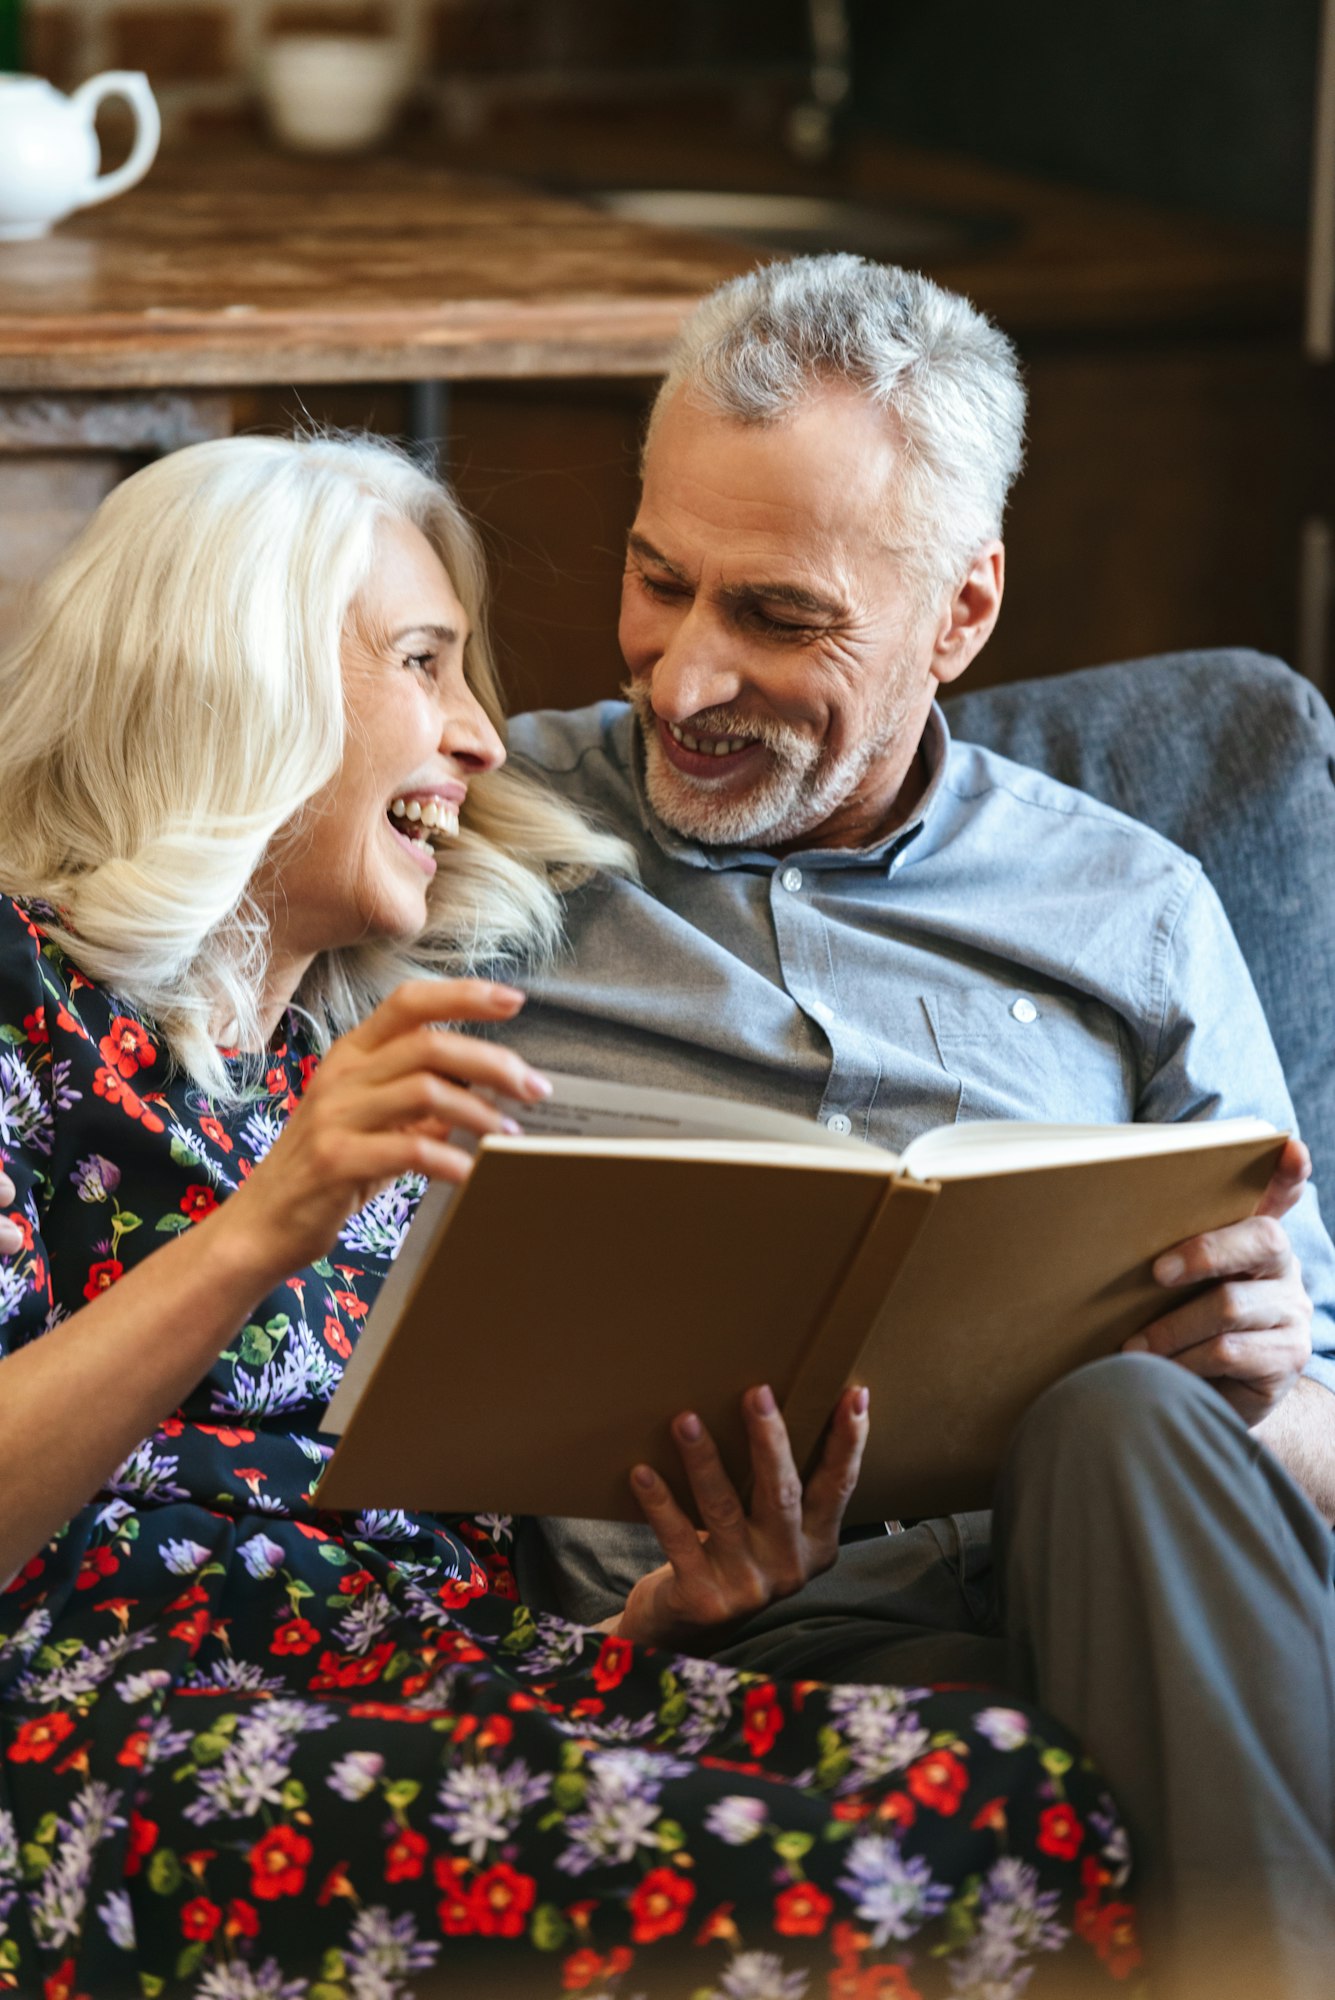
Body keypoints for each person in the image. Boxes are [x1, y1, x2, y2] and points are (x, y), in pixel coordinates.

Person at [0, 432, 1132, 2000]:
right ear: (234, 673)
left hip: (441, 1689)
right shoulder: (26, 1009)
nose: (477, 737)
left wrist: (679, 1609)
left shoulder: (360, 1058)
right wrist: (268, 1223)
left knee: (1020, 1791)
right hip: (139, 1719)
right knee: (804, 1886)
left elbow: (448, 1567)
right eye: (423, 663)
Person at [494, 256, 1335, 2000]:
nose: (685, 682)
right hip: (747, 1639)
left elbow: (1319, 1449)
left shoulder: (1133, 906)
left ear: (961, 613)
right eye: (661, 583)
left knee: (1122, 1416)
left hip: (1146, 1569)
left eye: (783, 620)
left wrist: (1264, 1391)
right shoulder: (468, 836)